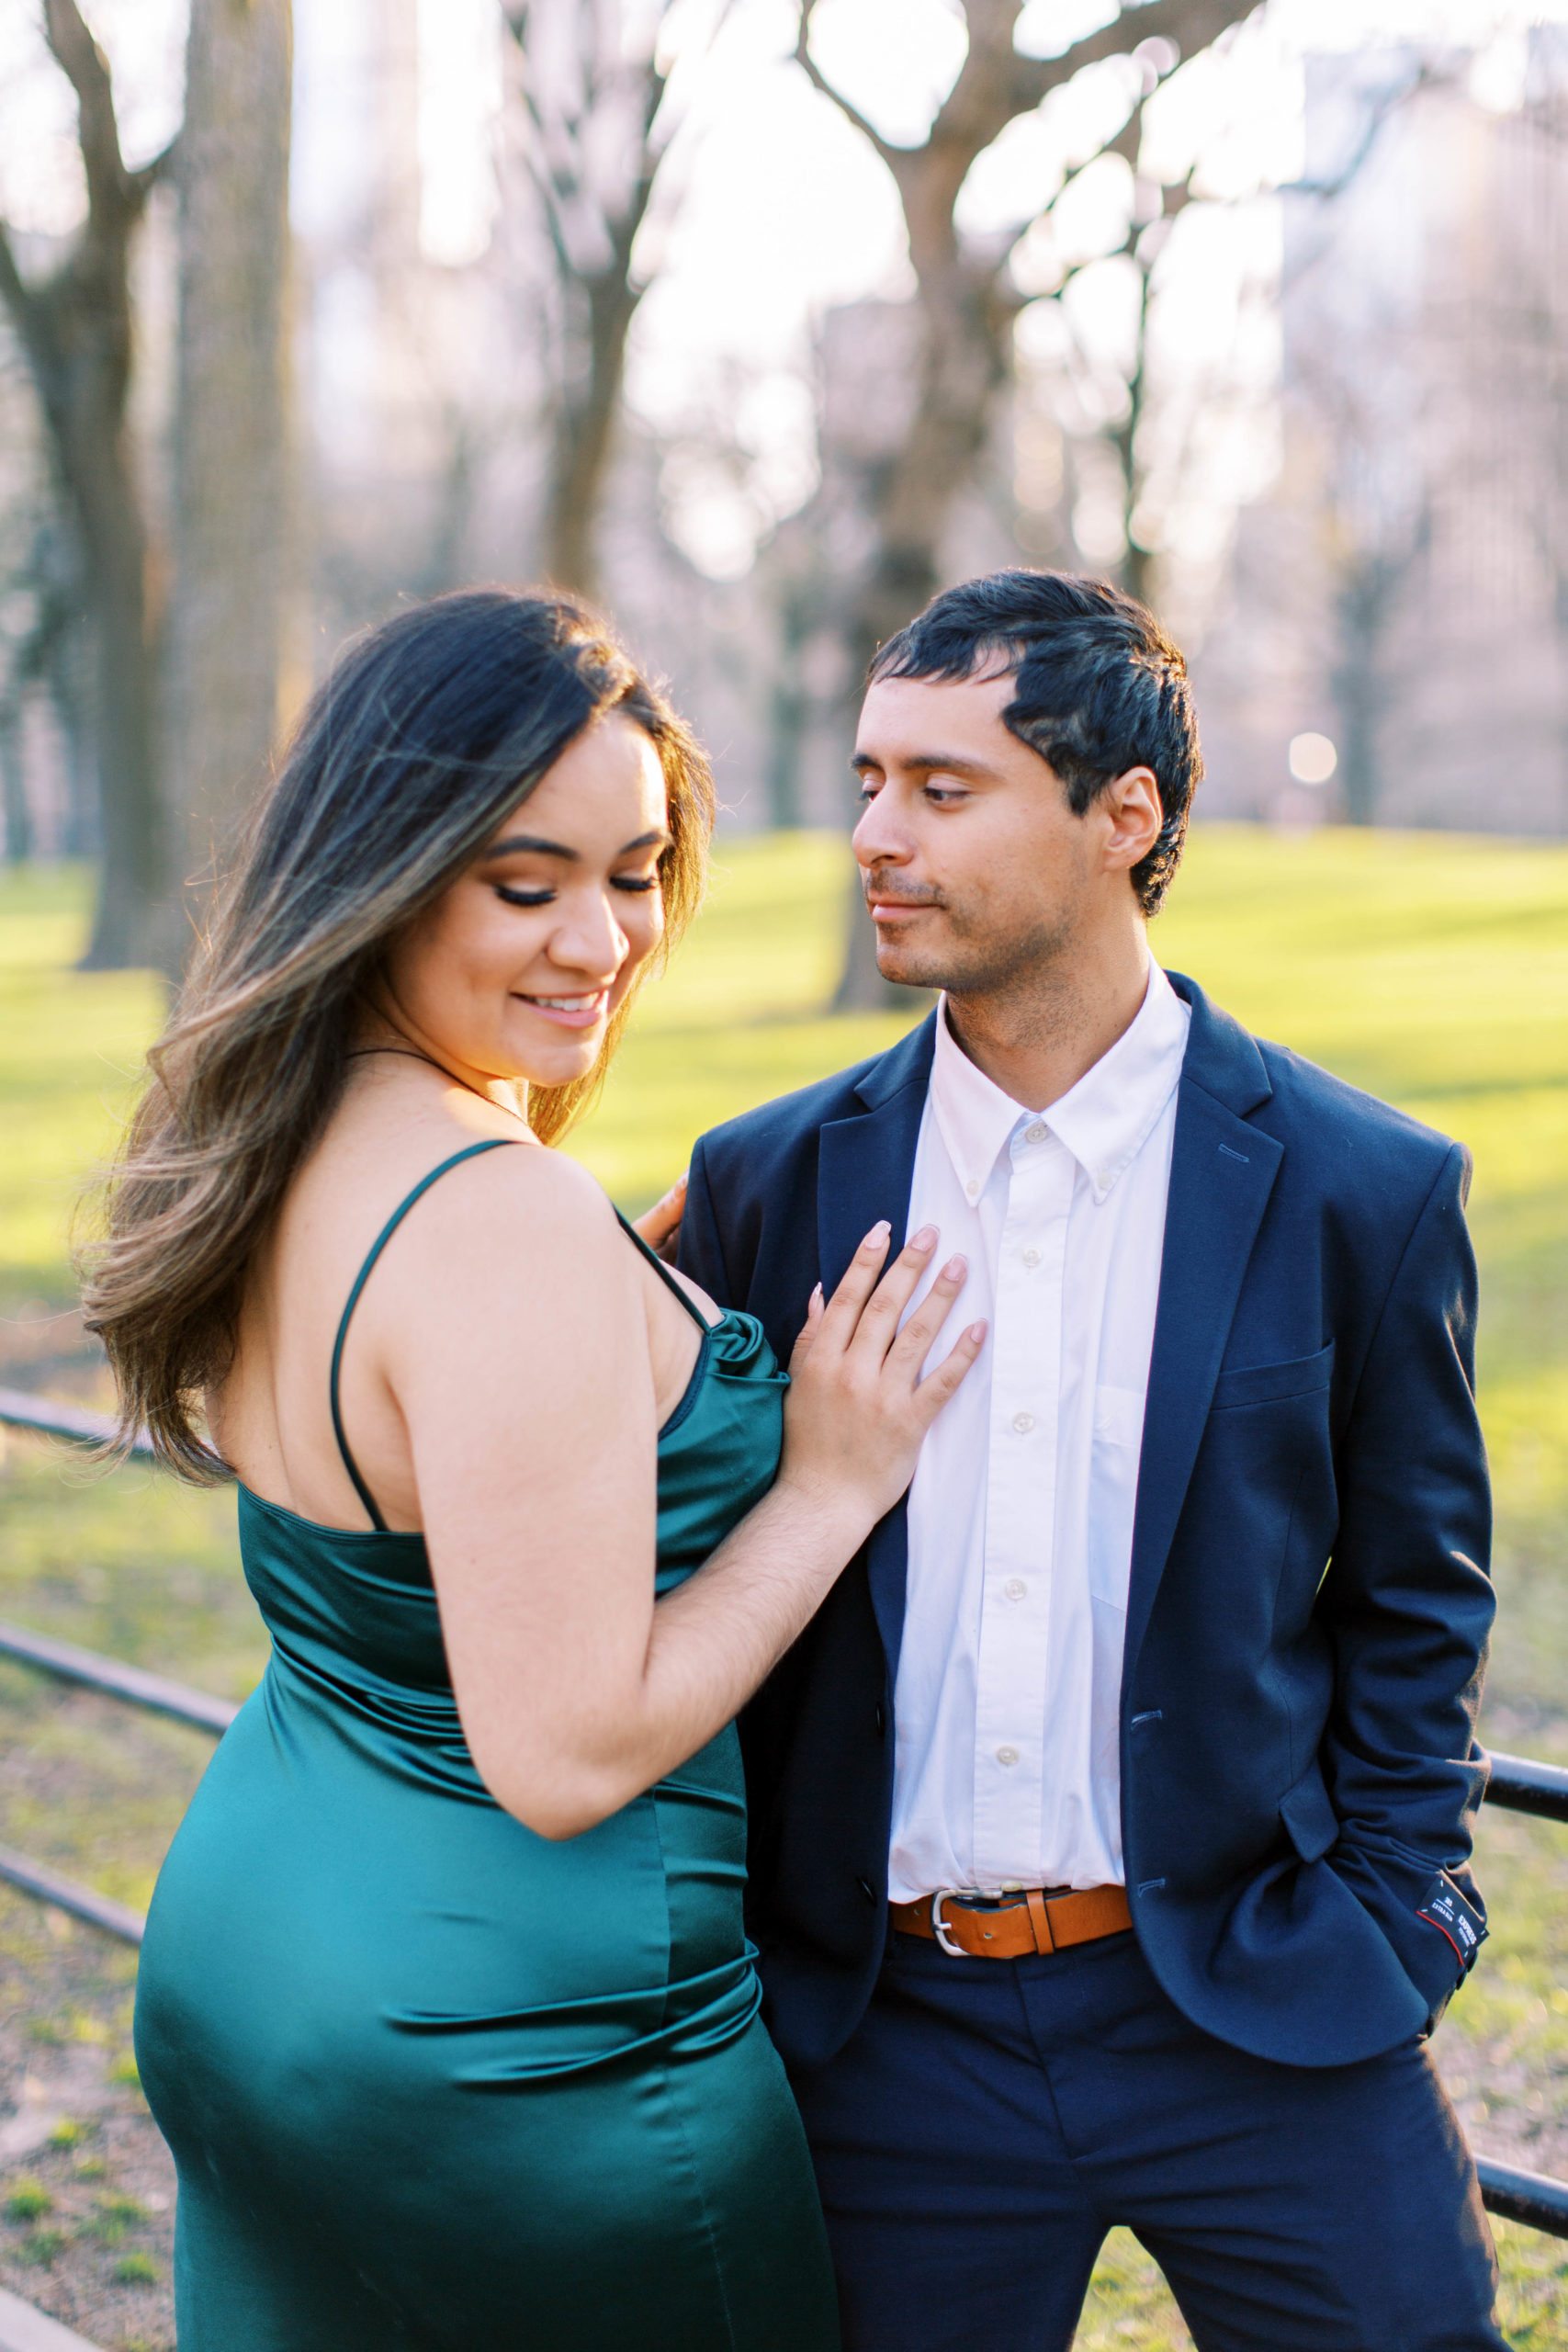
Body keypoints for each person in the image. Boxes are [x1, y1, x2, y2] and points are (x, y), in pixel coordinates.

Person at [84, 590, 985, 2352]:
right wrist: (824, 1481)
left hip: (261, 1959)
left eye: (638, 870)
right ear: (387, 870)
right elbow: (564, 1755)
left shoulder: (295, 1133)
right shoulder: (498, 1227)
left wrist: (627, 1311)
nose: (602, 937)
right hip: (522, 2049)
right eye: (526, 882)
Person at [677, 569, 1505, 2352]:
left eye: (940, 787)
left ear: (1124, 815)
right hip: (882, 2033)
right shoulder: (763, 1187)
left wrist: (1385, 1916)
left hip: (1256, 2002)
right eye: (866, 779)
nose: (870, 836)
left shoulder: (1364, 1190)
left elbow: (1414, 1600)